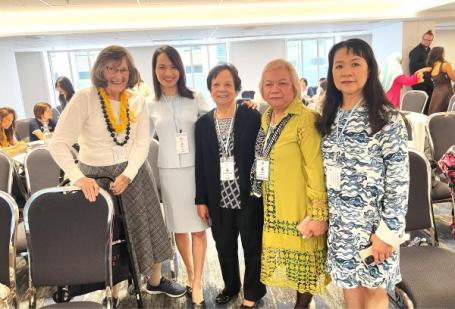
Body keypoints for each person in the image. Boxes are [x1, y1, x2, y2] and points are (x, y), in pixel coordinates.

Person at [49, 45, 186, 307]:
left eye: (122, 69)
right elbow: (58, 143)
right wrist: (78, 177)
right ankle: (110, 289)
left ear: (130, 72)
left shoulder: (136, 99)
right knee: (107, 235)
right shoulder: (85, 98)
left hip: (132, 172)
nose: (117, 74)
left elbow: (141, 143)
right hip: (94, 178)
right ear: (101, 70)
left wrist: (129, 173)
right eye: (111, 68)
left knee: (150, 227)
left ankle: (156, 281)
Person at [317, 39, 409, 309]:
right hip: (341, 226)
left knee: (373, 293)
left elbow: (399, 182)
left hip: (374, 228)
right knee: (349, 289)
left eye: (355, 64)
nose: (347, 72)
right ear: (331, 73)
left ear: (370, 70)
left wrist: (388, 233)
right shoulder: (328, 116)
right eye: (339, 66)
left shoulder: (387, 118)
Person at [250, 59, 329, 309]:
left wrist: (318, 214)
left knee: (304, 270)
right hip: (275, 208)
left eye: (282, 83)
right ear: (261, 88)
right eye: (268, 84)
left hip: (300, 209)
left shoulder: (306, 120)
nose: (275, 89)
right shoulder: (267, 118)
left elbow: (316, 169)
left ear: (295, 87)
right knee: (294, 268)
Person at [195, 64, 266, 308]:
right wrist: (200, 199)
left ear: (237, 88)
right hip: (218, 197)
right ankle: (231, 286)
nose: (222, 89)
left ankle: (253, 292)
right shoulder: (203, 124)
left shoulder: (251, 115)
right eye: (216, 85)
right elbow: (201, 165)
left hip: (248, 196)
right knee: (224, 245)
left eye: (228, 84)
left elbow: (261, 154)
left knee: (252, 245)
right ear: (210, 90)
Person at [148, 45, 210, 306]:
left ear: (181, 69)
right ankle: (189, 271)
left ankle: (196, 282)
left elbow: (215, 123)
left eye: (173, 66)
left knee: (198, 229)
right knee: (179, 229)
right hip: (169, 173)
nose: (168, 72)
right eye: (162, 66)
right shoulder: (149, 104)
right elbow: (140, 140)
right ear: (154, 70)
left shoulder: (195, 97)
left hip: (196, 171)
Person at [409, 30, 434, 113]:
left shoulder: (429, 50)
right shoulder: (416, 51)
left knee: (429, 103)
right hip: (419, 82)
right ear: (422, 39)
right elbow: (413, 68)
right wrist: (428, 66)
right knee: (422, 105)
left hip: (427, 81)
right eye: (425, 39)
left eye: (429, 40)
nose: (427, 42)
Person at [426, 46, 455, 114]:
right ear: (440, 54)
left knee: (434, 113)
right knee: (446, 115)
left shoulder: (431, 66)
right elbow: (454, 79)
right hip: (446, 93)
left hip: (435, 93)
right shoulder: (445, 65)